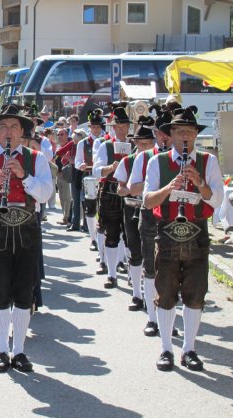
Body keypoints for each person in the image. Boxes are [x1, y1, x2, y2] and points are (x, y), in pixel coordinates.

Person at [0, 104, 53, 372]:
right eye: (4, 126)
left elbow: (46, 194)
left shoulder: (36, 158)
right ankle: (2, 349)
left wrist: (23, 176)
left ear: (22, 132)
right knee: (0, 289)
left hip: (27, 225)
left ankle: (20, 351)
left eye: (14, 126)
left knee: (24, 291)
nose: (8, 131)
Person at [143, 105, 224, 372]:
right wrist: (170, 187)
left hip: (197, 232)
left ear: (195, 135)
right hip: (166, 232)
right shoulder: (158, 161)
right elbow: (147, 200)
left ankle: (190, 349)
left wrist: (199, 182)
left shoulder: (208, 161)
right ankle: (166, 348)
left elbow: (217, 201)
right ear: (172, 135)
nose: (185, 136)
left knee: (195, 294)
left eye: (190, 132)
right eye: (180, 132)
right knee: (165, 293)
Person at [128, 104, 176, 337]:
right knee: (151, 267)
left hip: (175, 216)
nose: (165, 137)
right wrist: (152, 182)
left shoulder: (183, 158)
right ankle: (152, 317)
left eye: (170, 133)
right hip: (150, 214)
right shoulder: (145, 157)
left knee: (173, 269)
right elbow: (132, 188)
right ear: (156, 134)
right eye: (162, 133)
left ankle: (169, 317)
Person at [113, 116, 155, 313]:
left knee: (152, 254)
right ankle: (137, 294)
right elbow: (120, 189)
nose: (144, 146)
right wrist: (131, 189)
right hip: (131, 207)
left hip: (152, 208)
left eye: (148, 143)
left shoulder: (157, 160)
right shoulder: (128, 161)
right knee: (134, 249)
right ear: (135, 143)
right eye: (140, 143)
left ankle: (153, 296)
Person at [92, 104, 131, 289]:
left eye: (125, 127)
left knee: (131, 234)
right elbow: (96, 170)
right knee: (111, 232)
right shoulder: (105, 145)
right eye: (119, 127)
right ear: (113, 128)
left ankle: (131, 272)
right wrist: (111, 168)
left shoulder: (135, 144)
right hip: (110, 192)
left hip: (130, 193)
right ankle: (111, 273)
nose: (122, 130)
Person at [74, 110, 106, 253]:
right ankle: (93, 238)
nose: (96, 130)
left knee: (104, 209)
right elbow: (77, 161)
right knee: (90, 208)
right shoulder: (83, 143)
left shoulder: (106, 141)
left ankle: (103, 235)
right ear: (90, 128)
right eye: (93, 127)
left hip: (104, 178)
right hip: (89, 177)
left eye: (98, 127)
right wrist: (81, 165)